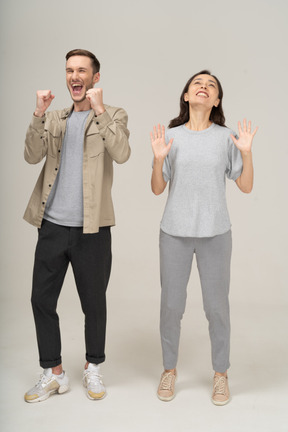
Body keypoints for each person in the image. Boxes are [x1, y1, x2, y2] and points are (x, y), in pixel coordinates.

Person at [23, 49, 131, 403]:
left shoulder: (113, 115)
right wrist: (38, 114)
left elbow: (122, 152)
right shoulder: (53, 117)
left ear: (95, 78)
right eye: (70, 70)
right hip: (51, 224)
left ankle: (93, 367)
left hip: (93, 229)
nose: (74, 76)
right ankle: (53, 373)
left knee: (94, 302)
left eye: (82, 70)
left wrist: (99, 111)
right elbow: (31, 155)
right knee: (41, 299)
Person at [150, 70, 258, 405]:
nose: (203, 87)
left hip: (215, 234)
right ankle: (169, 370)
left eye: (211, 85)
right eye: (197, 83)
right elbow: (157, 189)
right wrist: (157, 160)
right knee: (171, 306)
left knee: (217, 308)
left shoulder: (228, 138)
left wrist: (247, 152)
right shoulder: (170, 136)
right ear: (186, 96)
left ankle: (221, 374)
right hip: (174, 234)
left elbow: (245, 186)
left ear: (216, 100)